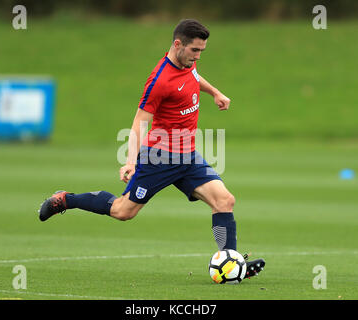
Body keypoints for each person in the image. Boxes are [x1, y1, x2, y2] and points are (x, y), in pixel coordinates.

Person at [38, 19, 265, 279]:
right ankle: (66, 199)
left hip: (188, 156)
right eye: (195, 50)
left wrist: (214, 92)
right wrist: (131, 161)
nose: (198, 56)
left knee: (225, 200)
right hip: (159, 158)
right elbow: (140, 121)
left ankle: (231, 263)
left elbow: (193, 77)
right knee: (123, 211)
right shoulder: (159, 80)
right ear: (178, 44)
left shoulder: (189, 63)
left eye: (202, 51)